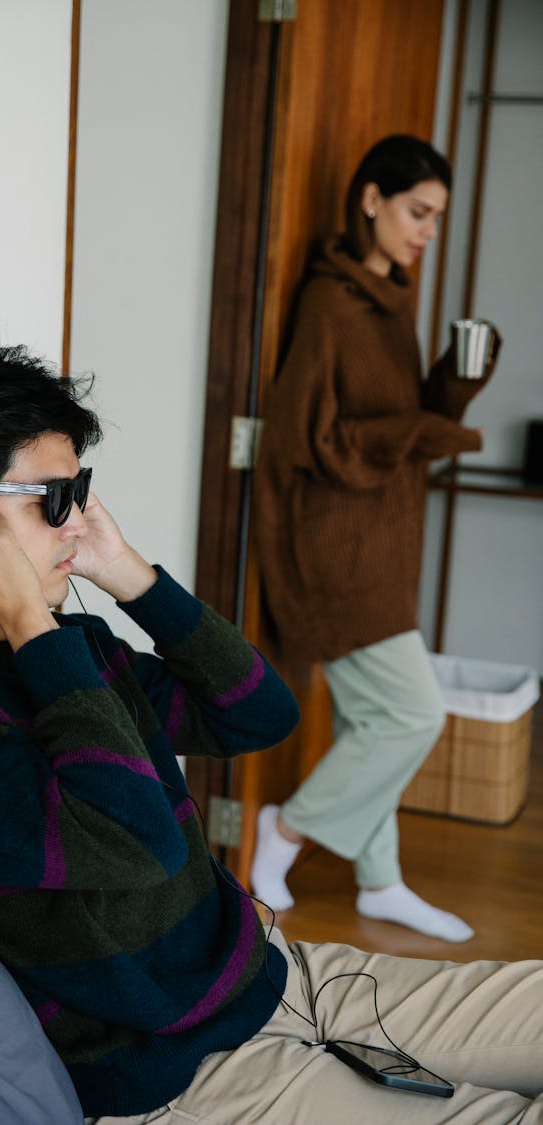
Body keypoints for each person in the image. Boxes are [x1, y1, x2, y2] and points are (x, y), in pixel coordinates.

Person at [0, 344, 542, 1122]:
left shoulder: (71, 649)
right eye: (53, 499)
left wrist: (128, 573)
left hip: (281, 976)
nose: (77, 523)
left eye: (80, 492)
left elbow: (259, 714)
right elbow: (136, 839)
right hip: (183, 1077)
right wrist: (29, 618)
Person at [250, 134, 501, 943]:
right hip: (333, 551)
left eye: (436, 218)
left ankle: (381, 880)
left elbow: (394, 418)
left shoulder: (392, 299)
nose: (428, 231)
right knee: (412, 715)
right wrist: (427, 429)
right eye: (417, 212)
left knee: (375, 722)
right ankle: (283, 829)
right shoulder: (331, 303)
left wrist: (451, 389)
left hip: (382, 542)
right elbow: (308, 438)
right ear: (370, 200)